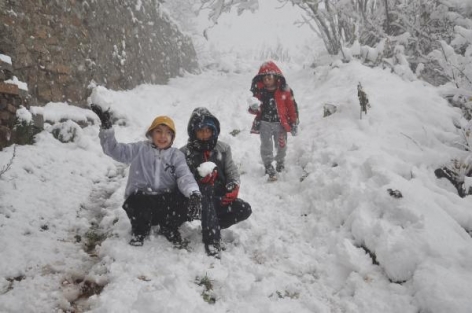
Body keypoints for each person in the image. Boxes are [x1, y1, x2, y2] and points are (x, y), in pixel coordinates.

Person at [91, 104, 202, 247]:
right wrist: (107, 128)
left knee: (185, 200)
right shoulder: (140, 149)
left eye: (168, 133)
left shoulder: (176, 155)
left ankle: (169, 227)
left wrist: (194, 193)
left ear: (172, 137)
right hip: (142, 203)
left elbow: (184, 176)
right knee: (137, 201)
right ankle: (140, 231)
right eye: (158, 131)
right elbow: (114, 150)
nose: (163, 136)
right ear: (151, 134)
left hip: (165, 203)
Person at [181, 107, 252, 258]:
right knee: (205, 190)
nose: (205, 134)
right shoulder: (184, 153)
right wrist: (198, 179)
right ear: (193, 131)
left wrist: (233, 186)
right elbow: (181, 178)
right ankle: (212, 239)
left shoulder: (223, 149)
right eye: (201, 130)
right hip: (194, 201)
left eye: (208, 130)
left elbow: (231, 170)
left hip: (217, 197)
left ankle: (212, 223)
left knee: (244, 209)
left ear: (214, 130)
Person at [248, 60, 299, 181]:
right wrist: (253, 107)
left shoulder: (285, 90)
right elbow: (254, 108)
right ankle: (268, 165)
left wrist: (294, 122)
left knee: (282, 145)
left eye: (269, 77)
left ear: (276, 77)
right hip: (265, 123)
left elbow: (292, 107)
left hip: (281, 124)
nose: (267, 80)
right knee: (266, 145)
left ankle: (280, 162)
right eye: (264, 78)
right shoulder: (260, 91)